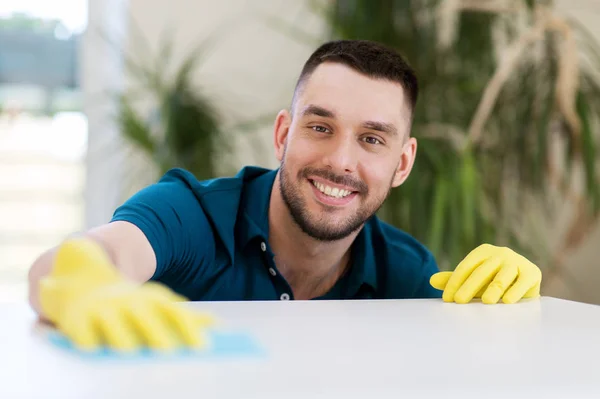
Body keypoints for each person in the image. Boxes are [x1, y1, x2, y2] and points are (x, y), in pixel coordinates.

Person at [27, 39, 542, 352]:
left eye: (371, 139)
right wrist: (83, 279)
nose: (341, 161)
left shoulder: (405, 272)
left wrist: (513, 314)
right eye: (320, 127)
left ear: (402, 163)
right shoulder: (192, 213)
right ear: (282, 135)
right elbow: (93, 255)